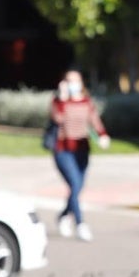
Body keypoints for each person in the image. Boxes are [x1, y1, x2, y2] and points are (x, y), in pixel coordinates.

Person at [48, 69, 111, 241]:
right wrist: (61, 98)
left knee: (78, 188)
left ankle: (63, 216)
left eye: (75, 81)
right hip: (63, 150)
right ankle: (80, 223)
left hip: (82, 149)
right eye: (69, 81)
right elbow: (57, 119)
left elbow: (94, 120)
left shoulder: (86, 102)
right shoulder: (58, 102)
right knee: (75, 184)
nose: (72, 84)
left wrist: (102, 135)